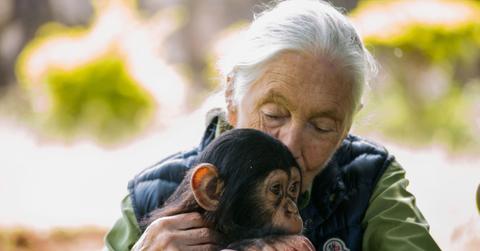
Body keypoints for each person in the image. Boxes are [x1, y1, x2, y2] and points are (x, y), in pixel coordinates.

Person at [104, 0, 441, 250]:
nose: (290, 146)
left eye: (322, 127)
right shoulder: (151, 197)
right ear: (233, 96)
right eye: (274, 115)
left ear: (347, 126)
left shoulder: (369, 178)